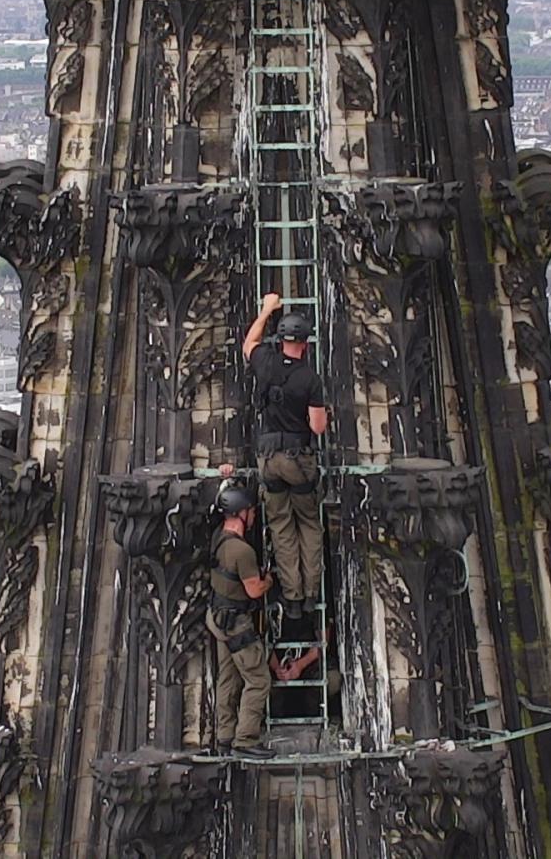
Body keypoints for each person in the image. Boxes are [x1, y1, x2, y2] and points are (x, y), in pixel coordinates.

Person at [243, 292, 328, 620]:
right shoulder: (310, 378)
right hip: (298, 460)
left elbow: (249, 341)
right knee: (307, 523)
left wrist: (265, 310)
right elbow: (318, 427)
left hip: (269, 459)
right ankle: (309, 595)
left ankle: (291, 598)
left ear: (280, 339)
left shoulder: (265, 361)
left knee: (280, 525)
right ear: (305, 343)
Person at [208, 486, 274, 759]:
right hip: (237, 623)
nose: (255, 515)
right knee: (258, 680)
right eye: (252, 511)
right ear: (242, 513)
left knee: (229, 679)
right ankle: (245, 739)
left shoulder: (218, 539)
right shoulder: (242, 550)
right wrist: (269, 579)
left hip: (218, 619)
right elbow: (254, 590)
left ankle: (224, 736)